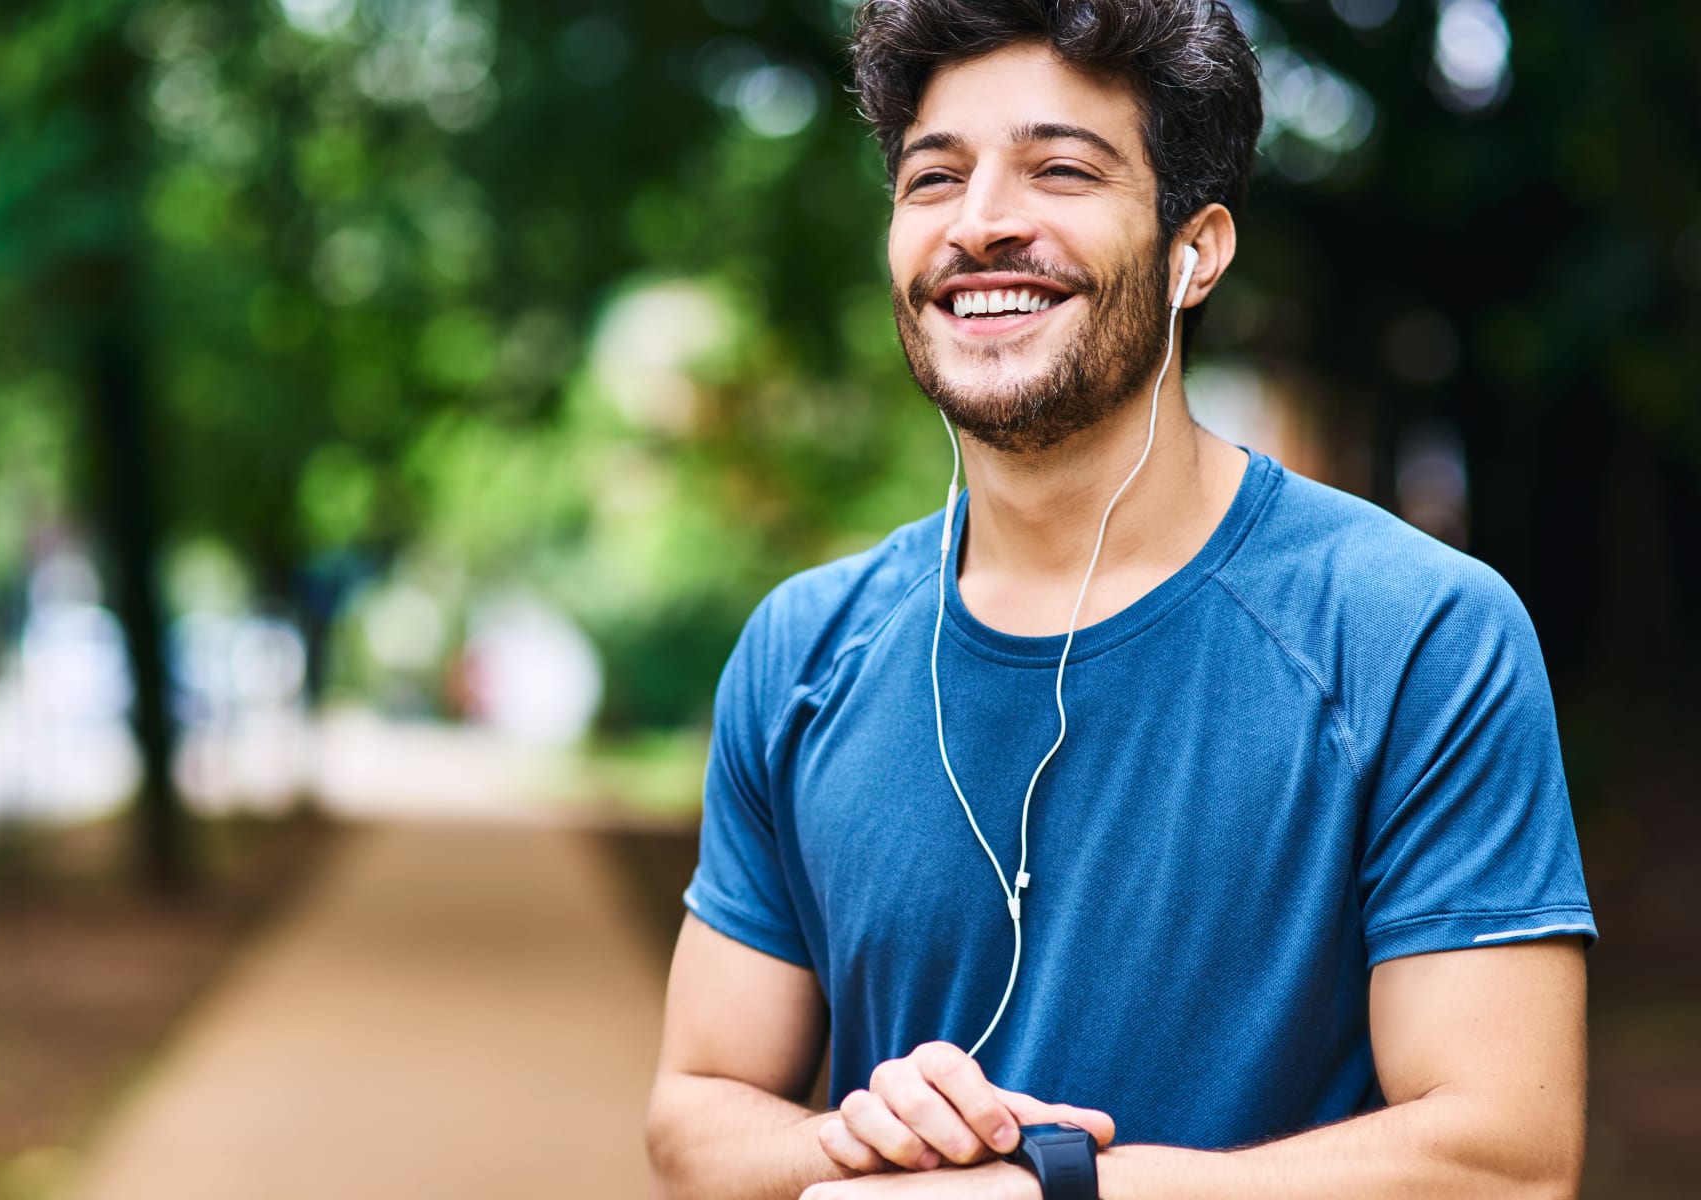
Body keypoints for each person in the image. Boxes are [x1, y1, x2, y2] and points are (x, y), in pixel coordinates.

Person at [644, 2, 1596, 1199]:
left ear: (1193, 250)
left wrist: (1050, 1186)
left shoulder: (1415, 634)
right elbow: (692, 1118)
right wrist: (867, 1148)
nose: (981, 222)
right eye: (932, 178)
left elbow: (1501, 1160)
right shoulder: (801, 649)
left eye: (1059, 168)